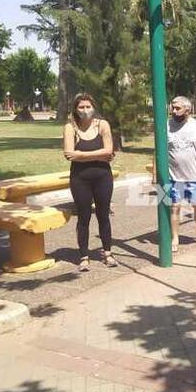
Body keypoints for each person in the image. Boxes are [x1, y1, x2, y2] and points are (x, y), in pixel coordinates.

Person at [63, 93, 117, 272]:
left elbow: (109, 151)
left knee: (103, 215)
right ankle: (84, 256)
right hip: (80, 179)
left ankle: (107, 253)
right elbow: (69, 154)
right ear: (75, 109)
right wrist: (99, 155)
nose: (85, 110)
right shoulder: (70, 128)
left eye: (88, 107)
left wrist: (81, 155)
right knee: (84, 216)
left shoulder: (102, 125)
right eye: (81, 107)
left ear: (93, 107)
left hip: (103, 177)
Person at [167, 96, 196, 251]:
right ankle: (175, 238)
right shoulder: (166, 125)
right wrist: (155, 173)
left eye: (177, 108)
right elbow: (159, 150)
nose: (174, 111)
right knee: (175, 207)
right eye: (172, 107)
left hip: (194, 176)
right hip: (174, 177)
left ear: (187, 109)